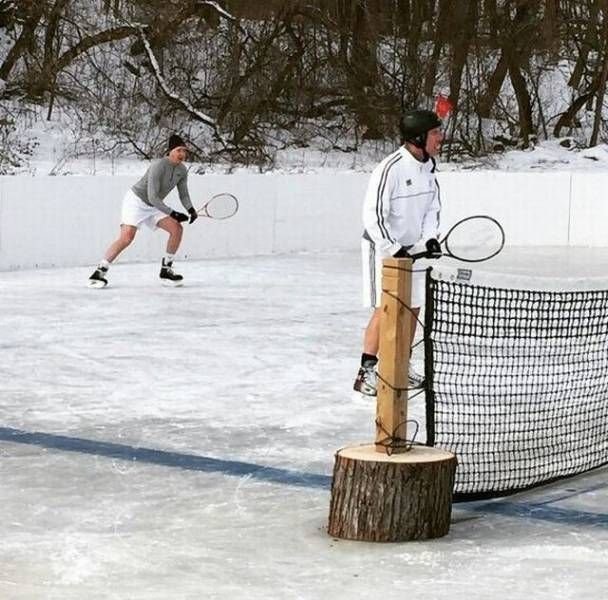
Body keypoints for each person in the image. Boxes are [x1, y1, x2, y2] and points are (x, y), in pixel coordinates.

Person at [353, 109, 444, 396]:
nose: (440, 138)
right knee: (387, 307)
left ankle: (401, 365)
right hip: (382, 248)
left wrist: (429, 239)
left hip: (414, 250)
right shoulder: (390, 168)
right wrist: (394, 249)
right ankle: (366, 372)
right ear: (418, 137)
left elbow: (433, 207)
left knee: (414, 306)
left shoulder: (429, 167)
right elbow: (374, 216)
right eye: (434, 133)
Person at [88, 134, 198, 288]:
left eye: (184, 151)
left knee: (177, 229)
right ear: (170, 151)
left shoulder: (182, 170)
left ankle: (166, 269)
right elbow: (153, 196)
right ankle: (99, 271)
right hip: (136, 201)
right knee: (127, 237)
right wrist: (173, 213)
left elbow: (183, 194)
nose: (182, 154)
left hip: (154, 206)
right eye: (179, 150)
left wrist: (191, 209)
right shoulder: (158, 166)